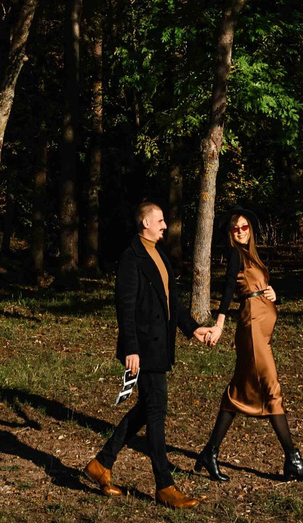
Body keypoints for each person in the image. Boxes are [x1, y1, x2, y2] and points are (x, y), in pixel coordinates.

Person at [84, 201, 220, 506]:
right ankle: (164, 485)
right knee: (156, 410)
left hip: (160, 346)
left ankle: (101, 464)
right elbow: (125, 306)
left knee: (146, 409)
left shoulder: (161, 256)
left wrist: (193, 329)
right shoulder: (131, 258)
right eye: (159, 220)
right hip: (143, 348)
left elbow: (174, 302)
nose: (164, 225)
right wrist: (131, 348)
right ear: (145, 222)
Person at [194, 210, 303, 483]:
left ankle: (209, 453)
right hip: (251, 330)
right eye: (235, 229)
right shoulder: (235, 255)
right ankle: (293, 460)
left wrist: (273, 293)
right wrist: (219, 324)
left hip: (262, 330)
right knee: (271, 388)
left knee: (238, 391)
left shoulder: (252, 255)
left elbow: (258, 285)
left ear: (251, 228)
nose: (241, 231)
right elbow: (229, 288)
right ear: (230, 233)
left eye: (245, 226)